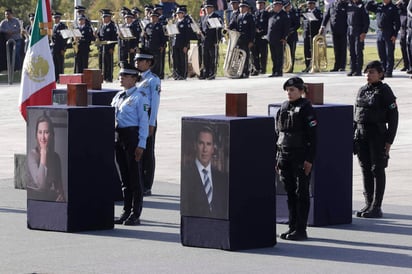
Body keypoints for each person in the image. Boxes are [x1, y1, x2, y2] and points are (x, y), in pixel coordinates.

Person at [353, 60, 399, 218]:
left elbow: (393, 117)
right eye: (367, 72)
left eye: (372, 72)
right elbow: (356, 115)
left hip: (377, 135)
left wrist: (389, 141)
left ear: (380, 74)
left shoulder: (385, 91)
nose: (368, 75)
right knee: (365, 169)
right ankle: (368, 202)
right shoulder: (362, 90)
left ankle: (377, 206)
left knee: (377, 169)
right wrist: (353, 136)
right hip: (361, 134)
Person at [275, 77, 318, 241]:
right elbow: (277, 134)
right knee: (290, 192)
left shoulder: (307, 109)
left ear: (301, 91)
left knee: (302, 193)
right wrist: (276, 157)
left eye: (292, 90)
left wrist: (309, 159)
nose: (289, 93)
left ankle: (301, 229)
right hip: (284, 154)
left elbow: (313, 137)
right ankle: (292, 226)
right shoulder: (284, 107)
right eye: (287, 90)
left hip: (300, 156)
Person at [112, 62, 150, 226]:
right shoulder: (118, 96)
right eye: (120, 75)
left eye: (125, 76)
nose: (121, 78)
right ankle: (126, 210)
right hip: (118, 137)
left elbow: (144, 122)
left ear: (134, 79)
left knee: (135, 177)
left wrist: (141, 144)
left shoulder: (139, 97)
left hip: (132, 137)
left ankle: (136, 213)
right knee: (124, 178)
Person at [181, 126, 228, 218]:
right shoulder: (186, 176)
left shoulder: (221, 178)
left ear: (213, 149)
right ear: (195, 146)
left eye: (208, 144)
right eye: (201, 143)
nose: (205, 149)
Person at [134, 49, 161, 196]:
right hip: (136, 116)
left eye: (140, 61)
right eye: (136, 60)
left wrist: (152, 123)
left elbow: (155, 102)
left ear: (148, 63)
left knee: (148, 150)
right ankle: (138, 180)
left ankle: (147, 183)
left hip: (148, 116)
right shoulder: (135, 78)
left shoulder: (153, 80)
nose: (137, 63)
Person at [27, 114, 65, 202]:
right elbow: (41, 185)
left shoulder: (56, 158)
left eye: (46, 132)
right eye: (40, 132)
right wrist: (43, 153)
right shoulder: (32, 155)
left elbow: (59, 188)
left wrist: (61, 197)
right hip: (33, 200)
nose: (43, 137)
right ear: (36, 135)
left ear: (51, 135)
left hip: (48, 200)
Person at [366, 0, 401, 77]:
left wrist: (394, 35)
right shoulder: (378, 6)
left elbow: (397, 23)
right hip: (379, 32)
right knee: (381, 52)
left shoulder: (393, 8)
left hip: (389, 32)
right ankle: (383, 69)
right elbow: (367, 7)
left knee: (389, 53)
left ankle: (389, 71)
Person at [228, 0, 255, 78]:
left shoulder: (250, 17)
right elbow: (234, 26)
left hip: (246, 40)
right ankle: (239, 71)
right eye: (240, 7)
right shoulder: (238, 16)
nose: (241, 8)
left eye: (243, 7)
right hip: (239, 40)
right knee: (239, 56)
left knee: (245, 56)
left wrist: (251, 41)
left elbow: (252, 30)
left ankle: (246, 72)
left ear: (247, 8)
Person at [319, 0, 348, 72]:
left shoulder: (346, 4)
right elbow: (327, 16)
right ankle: (336, 66)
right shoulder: (332, 5)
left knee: (342, 49)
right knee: (336, 49)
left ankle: (342, 66)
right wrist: (322, 26)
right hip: (334, 30)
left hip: (343, 30)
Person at [267, 0, 290, 77]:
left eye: (275, 5)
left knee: (279, 56)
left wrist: (284, 37)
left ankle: (279, 71)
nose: (273, 7)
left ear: (280, 6)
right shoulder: (271, 14)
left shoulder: (284, 15)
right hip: (271, 38)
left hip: (279, 39)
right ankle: (274, 71)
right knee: (273, 56)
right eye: (273, 5)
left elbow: (286, 28)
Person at [200, 1, 223, 80]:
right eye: (206, 8)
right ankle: (206, 73)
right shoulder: (204, 17)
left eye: (209, 8)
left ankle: (212, 73)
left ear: (212, 9)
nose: (207, 10)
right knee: (205, 58)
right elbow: (203, 29)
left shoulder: (216, 16)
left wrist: (217, 41)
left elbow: (219, 30)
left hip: (213, 41)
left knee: (213, 58)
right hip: (205, 41)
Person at [346, 0, 369, 76]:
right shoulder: (349, 5)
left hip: (359, 30)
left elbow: (366, 21)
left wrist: (364, 32)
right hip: (350, 30)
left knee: (358, 51)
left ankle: (358, 70)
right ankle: (352, 68)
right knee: (351, 50)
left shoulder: (362, 6)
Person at [299, 0, 323, 72]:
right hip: (306, 34)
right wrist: (299, 8)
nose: (310, 5)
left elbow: (321, 22)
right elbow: (297, 14)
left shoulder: (318, 12)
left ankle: (316, 65)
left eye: (311, 4)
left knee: (315, 51)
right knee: (307, 51)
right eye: (309, 4)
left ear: (314, 4)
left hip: (314, 34)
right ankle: (308, 66)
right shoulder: (306, 11)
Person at [143, 11, 167, 78]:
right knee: (149, 62)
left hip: (157, 47)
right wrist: (144, 36)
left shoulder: (160, 26)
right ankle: (150, 75)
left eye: (154, 17)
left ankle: (157, 75)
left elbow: (163, 37)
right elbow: (146, 36)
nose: (153, 18)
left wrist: (162, 45)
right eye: (151, 17)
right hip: (149, 47)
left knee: (157, 62)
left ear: (157, 18)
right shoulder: (148, 26)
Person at [96, 9, 118, 83]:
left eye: (105, 17)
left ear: (109, 17)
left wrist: (112, 47)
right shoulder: (101, 26)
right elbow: (99, 36)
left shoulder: (112, 26)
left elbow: (114, 38)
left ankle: (109, 77)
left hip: (109, 48)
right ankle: (103, 77)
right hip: (102, 47)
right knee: (102, 63)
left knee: (109, 63)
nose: (103, 19)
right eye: (103, 17)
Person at [172, 6, 191, 80]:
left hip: (182, 44)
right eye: (178, 13)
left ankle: (183, 74)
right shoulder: (176, 22)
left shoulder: (186, 22)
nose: (179, 15)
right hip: (175, 43)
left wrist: (186, 45)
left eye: (180, 13)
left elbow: (187, 35)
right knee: (176, 59)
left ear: (183, 14)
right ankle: (177, 73)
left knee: (182, 59)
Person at [252, 0, 270, 75]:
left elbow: (268, 25)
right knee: (255, 54)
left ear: (264, 4)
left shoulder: (266, 14)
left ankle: (263, 69)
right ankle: (256, 69)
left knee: (263, 54)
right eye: (258, 4)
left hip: (263, 36)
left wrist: (262, 31)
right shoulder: (255, 13)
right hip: (255, 37)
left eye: (261, 4)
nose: (259, 5)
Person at [284, 1, 301, 73]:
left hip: (292, 35)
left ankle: (290, 68)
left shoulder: (294, 12)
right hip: (283, 35)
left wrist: (291, 30)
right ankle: (283, 67)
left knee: (291, 53)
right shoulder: (282, 13)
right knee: (283, 53)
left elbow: (297, 24)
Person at [51, 12, 68, 83]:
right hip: (54, 48)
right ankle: (55, 78)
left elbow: (65, 38)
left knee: (60, 64)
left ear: (59, 18)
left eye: (57, 18)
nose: (55, 19)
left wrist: (63, 48)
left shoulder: (62, 26)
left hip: (60, 48)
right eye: (54, 18)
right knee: (54, 64)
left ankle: (61, 78)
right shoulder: (53, 26)